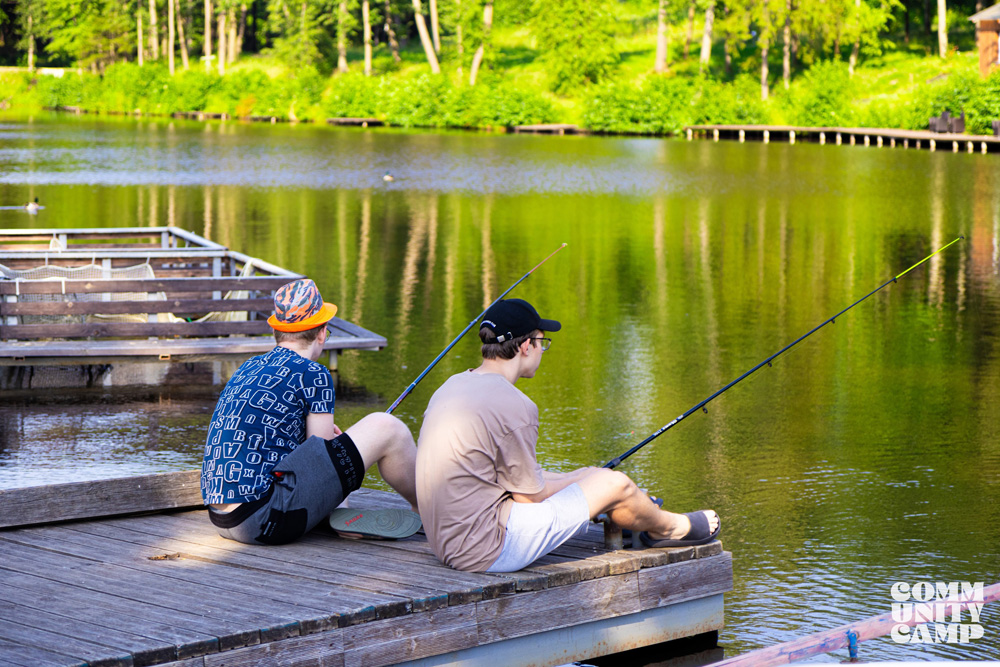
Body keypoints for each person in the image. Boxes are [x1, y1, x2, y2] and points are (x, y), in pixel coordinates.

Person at [415, 298, 720, 573]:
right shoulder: (515, 404)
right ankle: (671, 528)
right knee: (618, 484)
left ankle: (635, 511)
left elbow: (509, 478)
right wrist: (596, 485)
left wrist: (586, 477)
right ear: (525, 346)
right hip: (486, 550)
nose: (542, 350)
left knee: (595, 480)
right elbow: (529, 497)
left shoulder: (453, 385)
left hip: (445, 543)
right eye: (541, 342)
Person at [201, 278, 420, 545]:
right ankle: (428, 509)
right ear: (321, 333)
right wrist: (334, 449)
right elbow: (321, 459)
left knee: (333, 445)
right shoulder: (314, 373)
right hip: (264, 521)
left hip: (222, 518)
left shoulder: (249, 366)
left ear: (276, 333)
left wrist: (332, 448)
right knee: (387, 427)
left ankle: (338, 514)